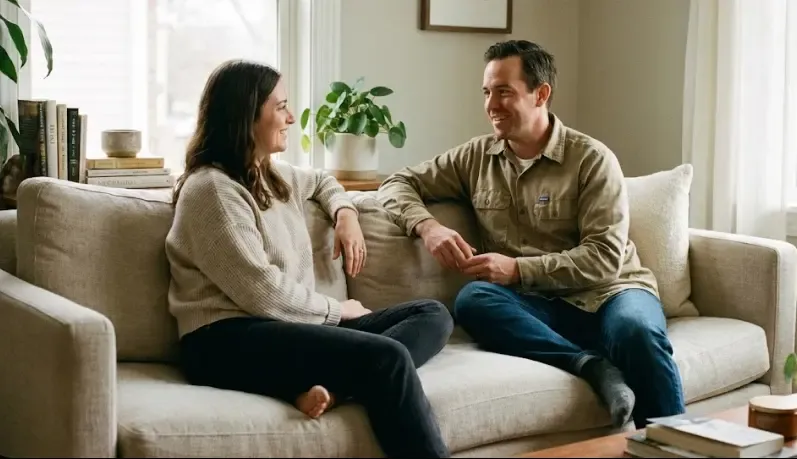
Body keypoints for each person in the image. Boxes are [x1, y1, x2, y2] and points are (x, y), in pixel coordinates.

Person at [377, 40, 685, 429]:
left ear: (541, 94)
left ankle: (679, 445)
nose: (491, 104)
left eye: (504, 92)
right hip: (534, 306)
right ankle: (591, 366)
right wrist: (429, 227)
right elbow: (396, 183)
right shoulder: (475, 156)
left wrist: (517, 270)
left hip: (611, 292)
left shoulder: (591, 159)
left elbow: (604, 259)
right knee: (474, 300)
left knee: (637, 332)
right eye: (487, 92)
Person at [165, 59, 453, 458]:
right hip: (224, 340)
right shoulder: (212, 190)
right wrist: (336, 311)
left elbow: (322, 181)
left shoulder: (268, 174)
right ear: (247, 115)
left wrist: (346, 214)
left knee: (433, 314)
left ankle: (336, 386)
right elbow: (262, 292)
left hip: (284, 330)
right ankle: (355, 376)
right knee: (387, 356)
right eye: (280, 107)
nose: (290, 118)